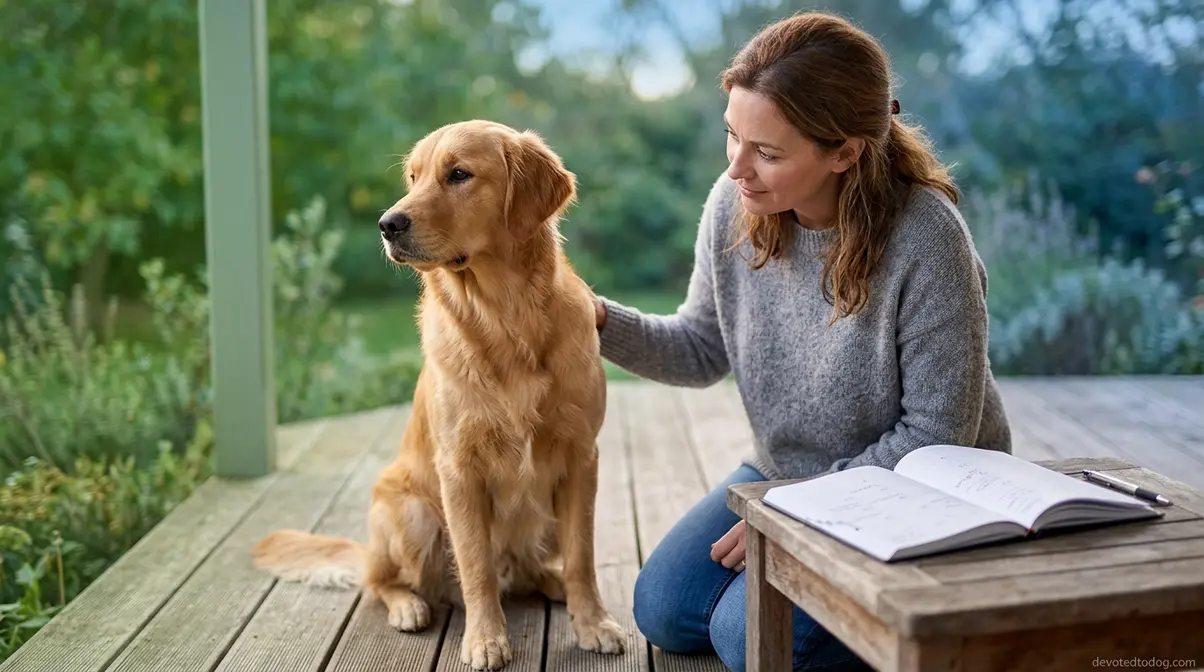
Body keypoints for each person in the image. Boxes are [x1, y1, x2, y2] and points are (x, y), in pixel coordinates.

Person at [591, 10, 1013, 672]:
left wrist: (798, 512)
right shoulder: (738, 204)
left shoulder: (929, 239)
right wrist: (594, 321)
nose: (737, 169)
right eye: (732, 136)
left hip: (921, 490)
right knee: (663, 608)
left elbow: (937, 437)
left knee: (746, 637)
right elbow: (702, 348)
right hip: (786, 474)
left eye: (767, 151)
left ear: (844, 151)